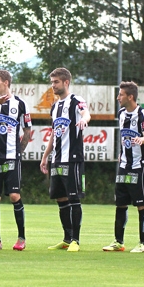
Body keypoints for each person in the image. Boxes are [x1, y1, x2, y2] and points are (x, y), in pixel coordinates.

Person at [40, 68, 90, 252]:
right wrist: (45, 157)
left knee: (74, 198)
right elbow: (54, 134)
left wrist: (84, 120)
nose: (53, 85)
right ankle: (67, 238)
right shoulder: (55, 107)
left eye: (56, 82)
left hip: (73, 159)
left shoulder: (76, 101)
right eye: (52, 82)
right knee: (60, 199)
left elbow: (86, 113)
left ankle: (76, 240)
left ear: (66, 82)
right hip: (57, 159)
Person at [0, 70, 32, 251]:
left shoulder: (20, 104)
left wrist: (20, 151)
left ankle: (21, 238)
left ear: (6, 82)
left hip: (12, 156)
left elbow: (27, 130)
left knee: (14, 196)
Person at [102, 81, 144, 253]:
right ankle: (118, 241)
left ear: (130, 97)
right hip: (123, 165)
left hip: (139, 166)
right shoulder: (122, 113)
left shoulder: (143, 114)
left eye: (121, 95)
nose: (118, 97)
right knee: (120, 204)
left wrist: (141, 139)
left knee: (141, 204)